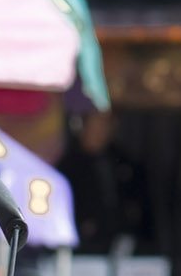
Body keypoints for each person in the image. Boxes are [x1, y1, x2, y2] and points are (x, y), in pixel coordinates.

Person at [56, 108, 153, 255]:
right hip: (80, 250)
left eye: (108, 122)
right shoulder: (67, 167)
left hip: (121, 246)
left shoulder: (122, 162)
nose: (103, 129)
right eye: (98, 122)